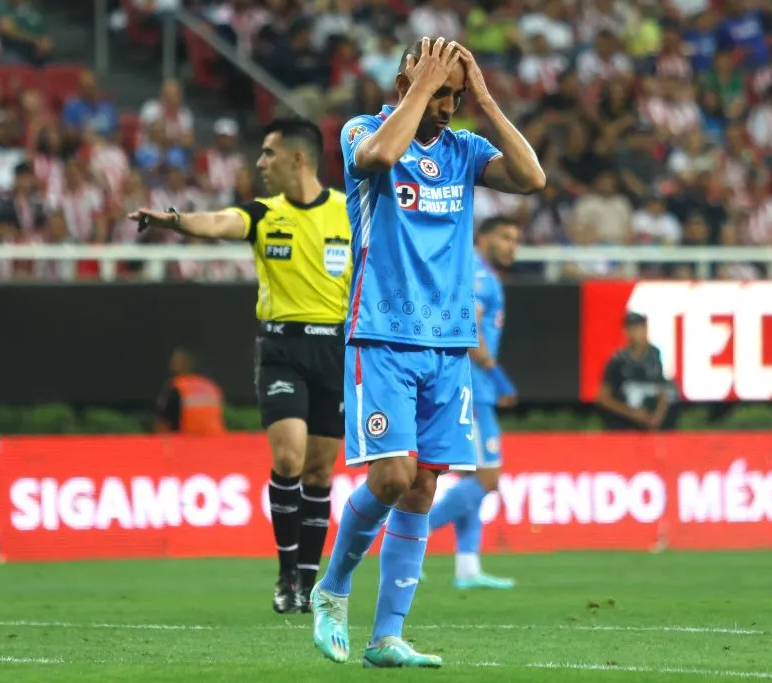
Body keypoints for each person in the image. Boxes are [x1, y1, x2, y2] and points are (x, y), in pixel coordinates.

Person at [309, 36, 545, 668]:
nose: (447, 106)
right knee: (388, 479)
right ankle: (332, 588)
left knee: (421, 490)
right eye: (439, 94)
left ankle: (387, 637)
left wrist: (487, 100)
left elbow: (532, 177)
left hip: (448, 347)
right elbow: (378, 157)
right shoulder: (367, 129)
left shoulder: (465, 150)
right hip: (382, 334)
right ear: (406, 85)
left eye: (453, 95)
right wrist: (421, 84)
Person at [127, 118, 352, 614]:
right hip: (280, 350)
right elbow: (217, 222)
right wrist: (174, 220)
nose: (260, 164)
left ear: (299, 158)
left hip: (334, 351)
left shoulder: (348, 211)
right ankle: (286, 574)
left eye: (268, 154)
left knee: (319, 471)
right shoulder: (263, 214)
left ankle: (310, 586)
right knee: (289, 459)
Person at [428, 215, 520, 590]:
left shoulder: (476, 270)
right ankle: (412, 531)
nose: (511, 244)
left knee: (470, 476)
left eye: (515, 238)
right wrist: (497, 376)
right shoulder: (478, 274)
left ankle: (467, 566)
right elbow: (470, 328)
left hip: (468, 384)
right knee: (488, 477)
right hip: (474, 386)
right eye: (504, 236)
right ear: (483, 237)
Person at [595, 312, 678, 431]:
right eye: (634, 329)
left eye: (642, 327)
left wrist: (657, 416)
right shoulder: (618, 361)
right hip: (625, 427)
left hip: (652, 426)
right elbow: (603, 397)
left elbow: (663, 388)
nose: (640, 332)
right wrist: (631, 413)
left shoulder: (655, 355)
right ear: (627, 332)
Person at [154, 348, 226, 435]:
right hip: (215, 442)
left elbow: (162, 424)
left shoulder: (174, 388)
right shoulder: (210, 386)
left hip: (188, 442)